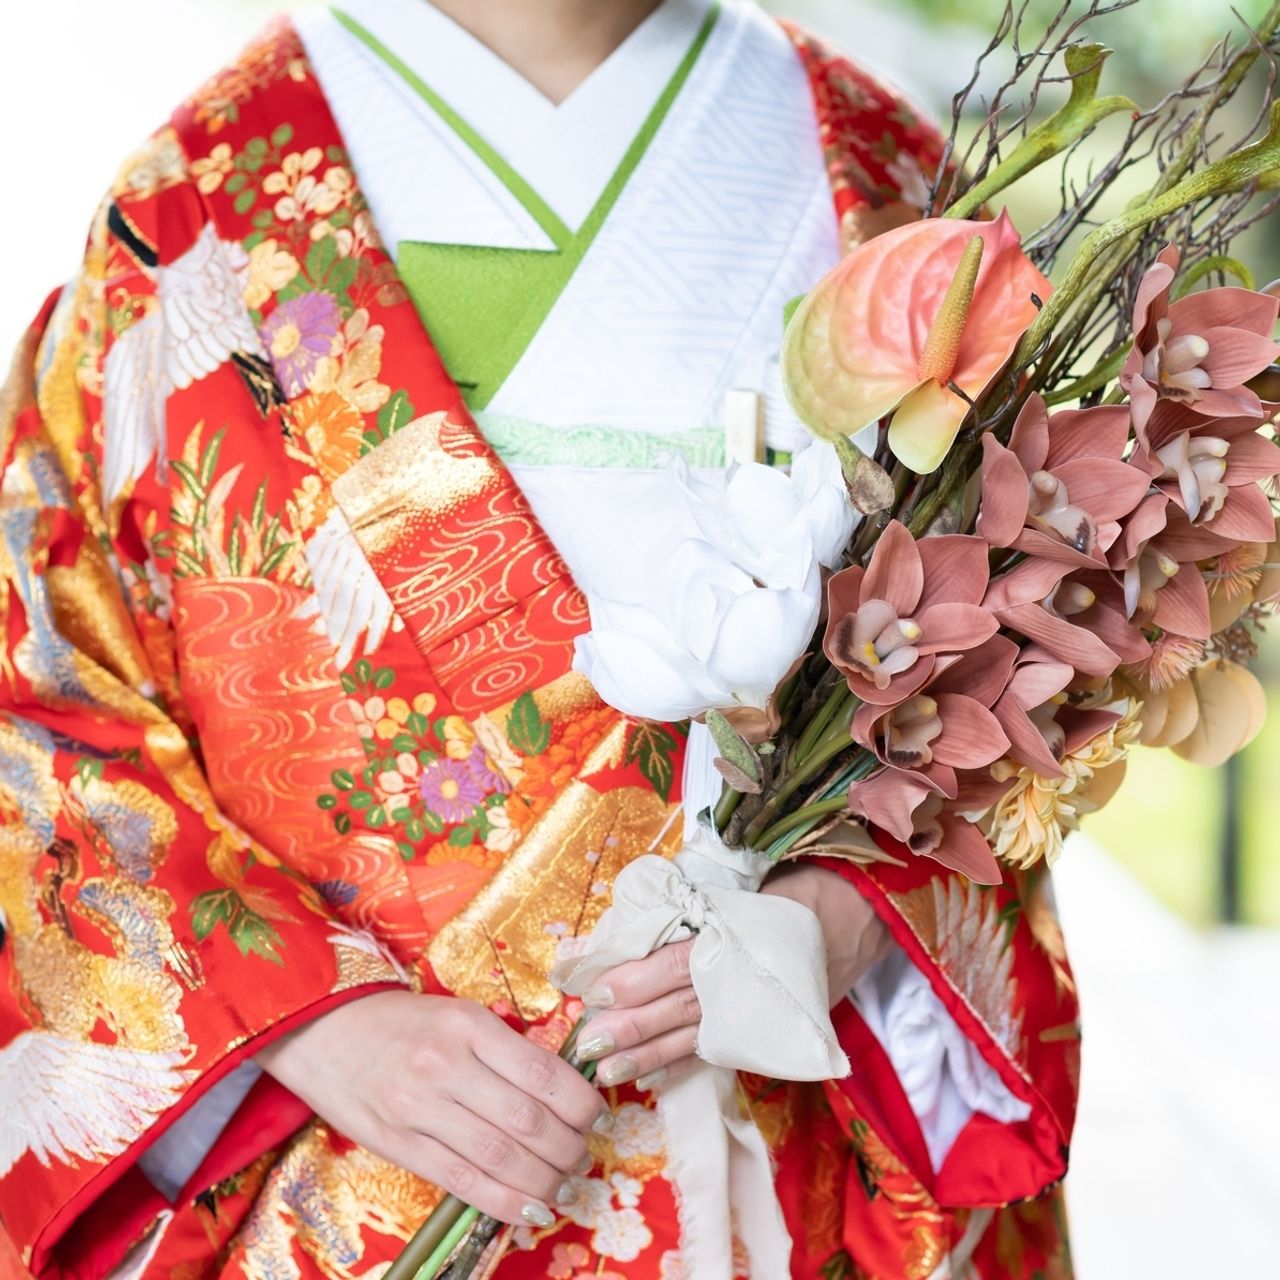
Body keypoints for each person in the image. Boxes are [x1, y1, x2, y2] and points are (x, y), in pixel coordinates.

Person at [0, 1, 1079, 1276]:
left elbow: (1009, 658)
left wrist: (856, 905)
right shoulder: (197, 200)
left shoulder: (886, 174)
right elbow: (49, 699)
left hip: (786, 1139)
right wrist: (303, 1023)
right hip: (355, 1177)